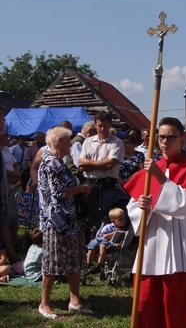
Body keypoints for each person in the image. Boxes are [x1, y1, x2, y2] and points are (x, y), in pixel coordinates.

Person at [124, 117, 186, 327]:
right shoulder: (147, 171)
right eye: (161, 136)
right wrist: (142, 206)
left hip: (180, 251)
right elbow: (133, 209)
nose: (165, 141)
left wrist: (160, 177)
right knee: (145, 304)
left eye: (171, 137)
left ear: (181, 139)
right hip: (152, 246)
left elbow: (183, 206)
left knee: (178, 309)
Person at [38, 126, 93, 319]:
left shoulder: (59, 162)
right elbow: (59, 193)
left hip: (69, 219)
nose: (71, 144)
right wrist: (82, 189)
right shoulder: (51, 163)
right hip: (57, 221)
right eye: (68, 141)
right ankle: (44, 304)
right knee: (52, 263)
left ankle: (74, 301)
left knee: (73, 259)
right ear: (60, 142)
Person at [79, 111, 124, 230]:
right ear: (95, 125)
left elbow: (110, 164)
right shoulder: (88, 141)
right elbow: (82, 165)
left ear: (110, 125)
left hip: (108, 184)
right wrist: (102, 163)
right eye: (99, 126)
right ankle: (90, 240)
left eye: (105, 125)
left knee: (107, 214)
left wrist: (90, 163)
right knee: (90, 214)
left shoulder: (117, 142)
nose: (102, 128)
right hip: (91, 183)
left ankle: (105, 242)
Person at [86, 207, 126, 274]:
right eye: (120, 219)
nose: (123, 220)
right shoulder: (108, 227)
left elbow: (122, 240)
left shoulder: (124, 230)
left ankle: (99, 264)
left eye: (124, 218)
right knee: (93, 244)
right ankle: (87, 264)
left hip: (108, 243)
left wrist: (119, 244)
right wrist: (116, 233)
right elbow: (105, 236)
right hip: (100, 239)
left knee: (103, 245)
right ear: (113, 221)